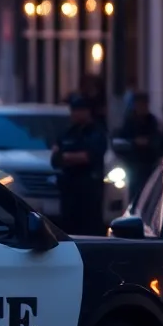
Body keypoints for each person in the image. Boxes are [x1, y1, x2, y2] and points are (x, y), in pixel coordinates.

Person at [51, 96, 108, 235]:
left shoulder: (96, 133)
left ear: (87, 112)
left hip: (88, 189)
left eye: (78, 110)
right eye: (73, 110)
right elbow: (55, 159)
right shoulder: (67, 133)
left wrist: (67, 156)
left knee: (89, 228)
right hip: (68, 189)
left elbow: (89, 157)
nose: (74, 114)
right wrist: (69, 157)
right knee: (69, 228)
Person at [111, 91, 163, 201]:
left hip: (149, 165)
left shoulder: (152, 122)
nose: (142, 107)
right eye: (139, 104)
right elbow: (122, 142)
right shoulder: (130, 122)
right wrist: (134, 143)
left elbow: (158, 141)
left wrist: (148, 143)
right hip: (134, 166)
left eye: (144, 104)